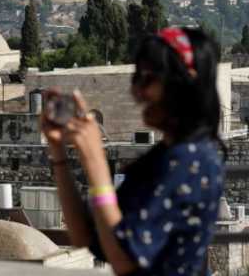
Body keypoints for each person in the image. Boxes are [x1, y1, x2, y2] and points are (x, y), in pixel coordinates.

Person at [41, 27, 224, 275]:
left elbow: (125, 258)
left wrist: (95, 159)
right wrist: (59, 152)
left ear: (183, 85)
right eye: (137, 78)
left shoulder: (192, 160)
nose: (138, 92)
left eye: (148, 79)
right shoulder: (165, 157)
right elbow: (84, 235)